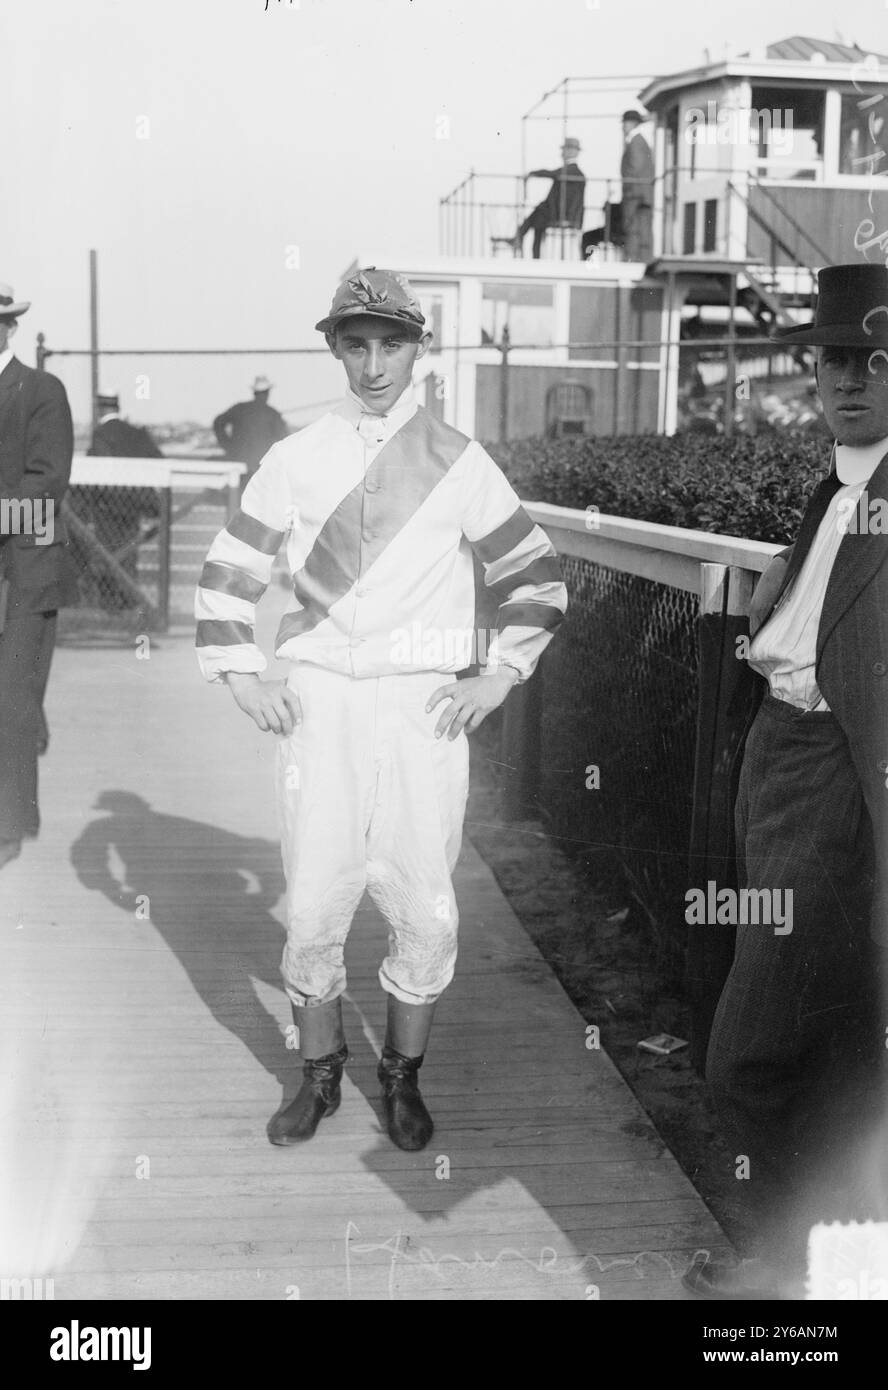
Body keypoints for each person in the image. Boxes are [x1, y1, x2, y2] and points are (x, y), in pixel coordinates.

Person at [195, 267, 567, 1151]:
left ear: (417, 350)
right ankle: (318, 1078)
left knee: (425, 898)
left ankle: (400, 1079)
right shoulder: (297, 456)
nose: (373, 365)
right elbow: (228, 573)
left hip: (422, 707)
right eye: (355, 345)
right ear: (333, 348)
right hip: (319, 706)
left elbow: (537, 573)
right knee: (316, 896)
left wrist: (499, 674)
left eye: (391, 344)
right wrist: (247, 675)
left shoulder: (459, 460)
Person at [686, 263, 888, 1300]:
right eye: (833, 359)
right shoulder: (837, 486)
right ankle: (825, 1264)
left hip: (833, 780)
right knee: (827, 1040)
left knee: (748, 1055)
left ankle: (792, 1259)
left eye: (875, 360)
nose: (849, 379)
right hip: (773, 752)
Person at [0, 282, 78, 870]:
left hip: (25, 569)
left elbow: (44, 489)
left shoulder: (40, 390)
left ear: (9, 328)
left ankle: (10, 824)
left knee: (11, 699)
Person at [511, 138, 585, 259]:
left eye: (565, 150)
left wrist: (532, 173)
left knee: (539, 215)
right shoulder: (571, 171)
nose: (562, 153)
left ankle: (520, 239)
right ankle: (521, 239)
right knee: (538, 217)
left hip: (562, 214)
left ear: (573, 152)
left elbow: (551, 173)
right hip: (559, 212)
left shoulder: (572, 171)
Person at [213, 376, 289, 482]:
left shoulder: (239, 408)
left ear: (254, 392)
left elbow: (218, 422)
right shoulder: (273, 414)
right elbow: (284, 441)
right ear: (267, 393)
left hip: (237, 466)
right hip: (260, 471)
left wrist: (228, 446)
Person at [620, 110, 654, 263]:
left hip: (635, 193)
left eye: (625, 123)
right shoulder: (640, 141)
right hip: (642, 193)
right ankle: (641, 258)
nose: (623, 126)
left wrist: (628, 188)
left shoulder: (635, 142)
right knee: (642, 227)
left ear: (632, 123)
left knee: (633, 227)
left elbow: (635, 167)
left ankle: (632, 258)